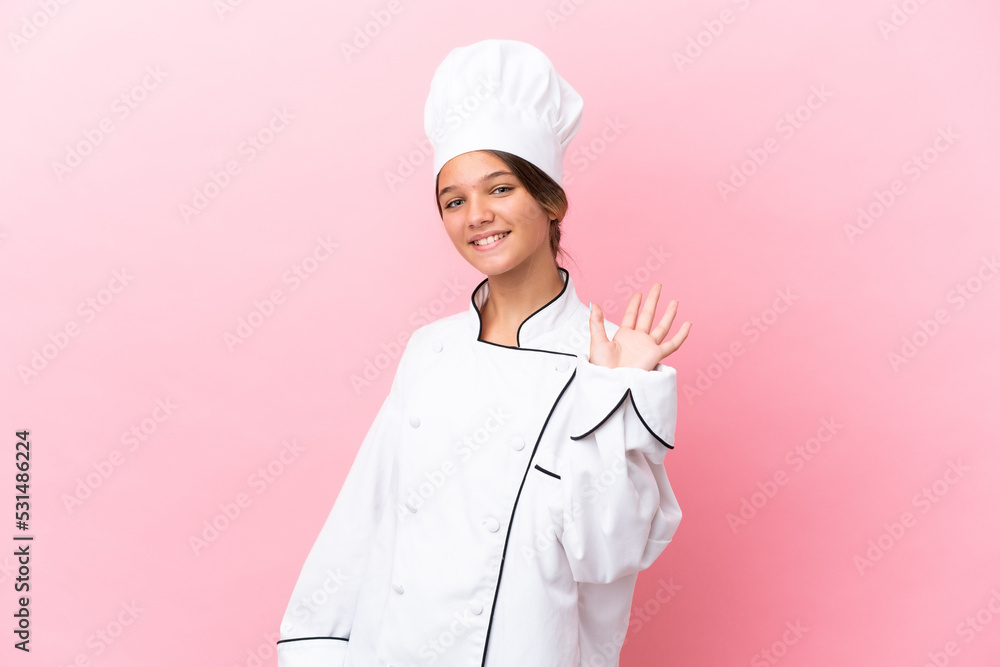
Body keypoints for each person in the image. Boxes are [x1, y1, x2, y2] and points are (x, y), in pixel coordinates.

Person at [276, 38, 692, 667]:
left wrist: (619, 392)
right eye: (454, 200)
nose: (476, 216)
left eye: (499, 189)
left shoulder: (602, 363)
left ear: (549, 201)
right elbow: (366, 514)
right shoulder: (431, 351)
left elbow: (602, 554)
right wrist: (318, 643)